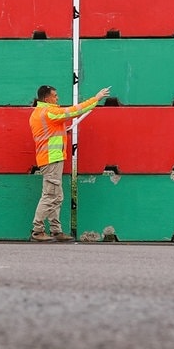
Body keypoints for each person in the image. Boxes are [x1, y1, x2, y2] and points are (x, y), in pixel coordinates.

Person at [28, 84, 111, 242]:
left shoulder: (37, 113)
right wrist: (96, 98)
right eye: (55, 95)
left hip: (50, 158)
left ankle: (56, 231)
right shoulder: (50, 112)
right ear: (46, 98)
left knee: (56, 196)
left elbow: (49, 132)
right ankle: (37, 231)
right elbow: (74, 111)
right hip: (51, 159)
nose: (57, 98)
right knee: (50, 195)